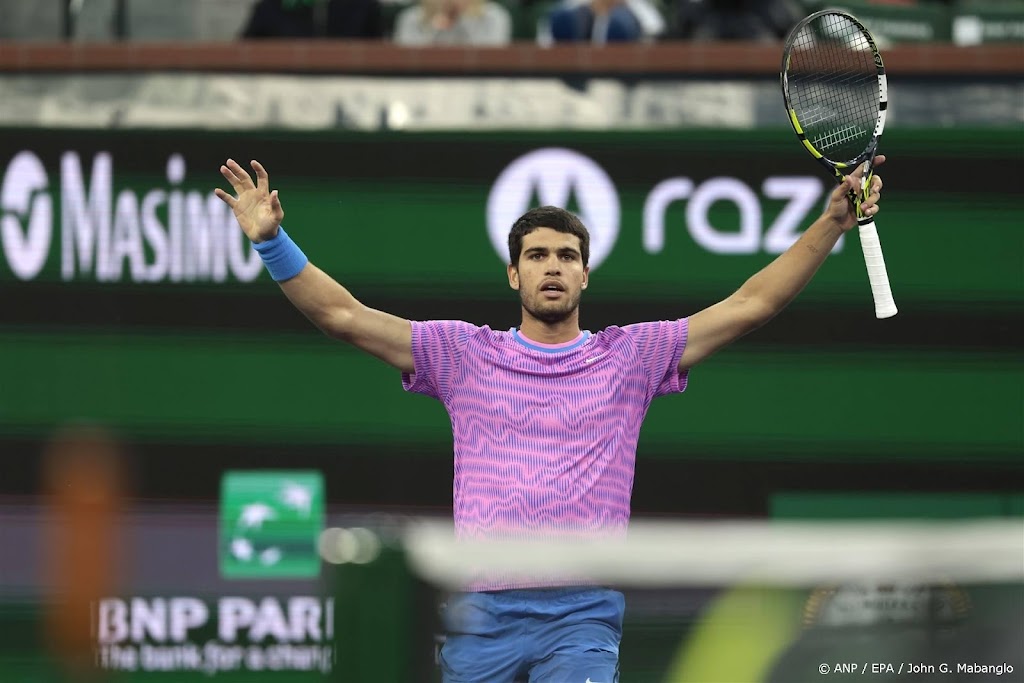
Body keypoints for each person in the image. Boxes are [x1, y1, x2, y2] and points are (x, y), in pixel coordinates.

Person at [214, 156, 884, 681]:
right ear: (514, 275)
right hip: (481, 614)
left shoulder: (634, 355)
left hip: (582, 616)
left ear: (586, 274)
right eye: (537, 255)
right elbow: (344, 316)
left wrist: (829, 222)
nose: (553, 267)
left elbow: (750, 304)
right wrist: (273, 243)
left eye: (567, 256)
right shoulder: (460, 352)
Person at [393, 0, 512, 46]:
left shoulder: (494, 16)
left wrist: (463, 17)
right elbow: (406, 57)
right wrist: (436, 25)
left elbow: (491, 58)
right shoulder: (411, 18)